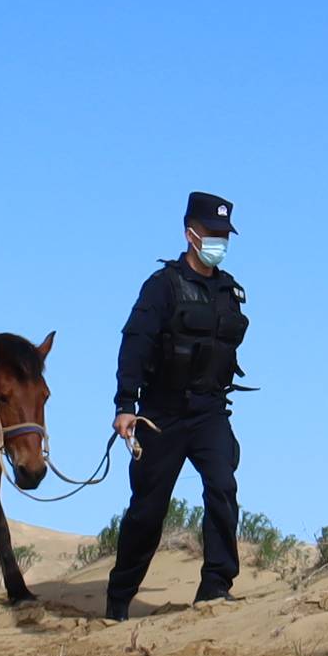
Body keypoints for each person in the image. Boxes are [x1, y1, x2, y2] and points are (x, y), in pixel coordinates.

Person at [102, 191, 251, 621]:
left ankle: (215, 586)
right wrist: (125, 404)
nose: (220, 241)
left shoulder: (229, 289)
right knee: (148, 509)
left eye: (225, 234)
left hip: (209, 411)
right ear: (191, 234)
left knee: (222, 486)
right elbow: (135, 343)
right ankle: (118, 599)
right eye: (213, 233)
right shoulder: (162, 286)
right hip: (161, 413)